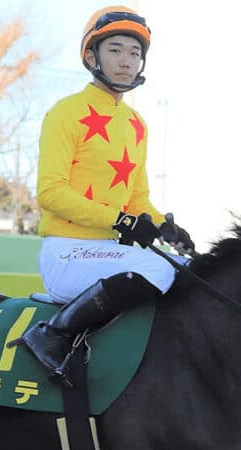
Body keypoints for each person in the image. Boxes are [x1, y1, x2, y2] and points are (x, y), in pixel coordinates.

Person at [17, 6, 194, 385]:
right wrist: (120, 221)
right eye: (115, 50)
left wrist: (164, 228)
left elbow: (137, 200)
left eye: (134, 53)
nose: (127, 61)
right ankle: (53, 334)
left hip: (107, 255)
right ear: (91, 56)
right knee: (158, 268)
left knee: (191, 270)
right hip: (67, 253)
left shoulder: (136, 124)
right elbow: (50, 192)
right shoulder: (65, 113)